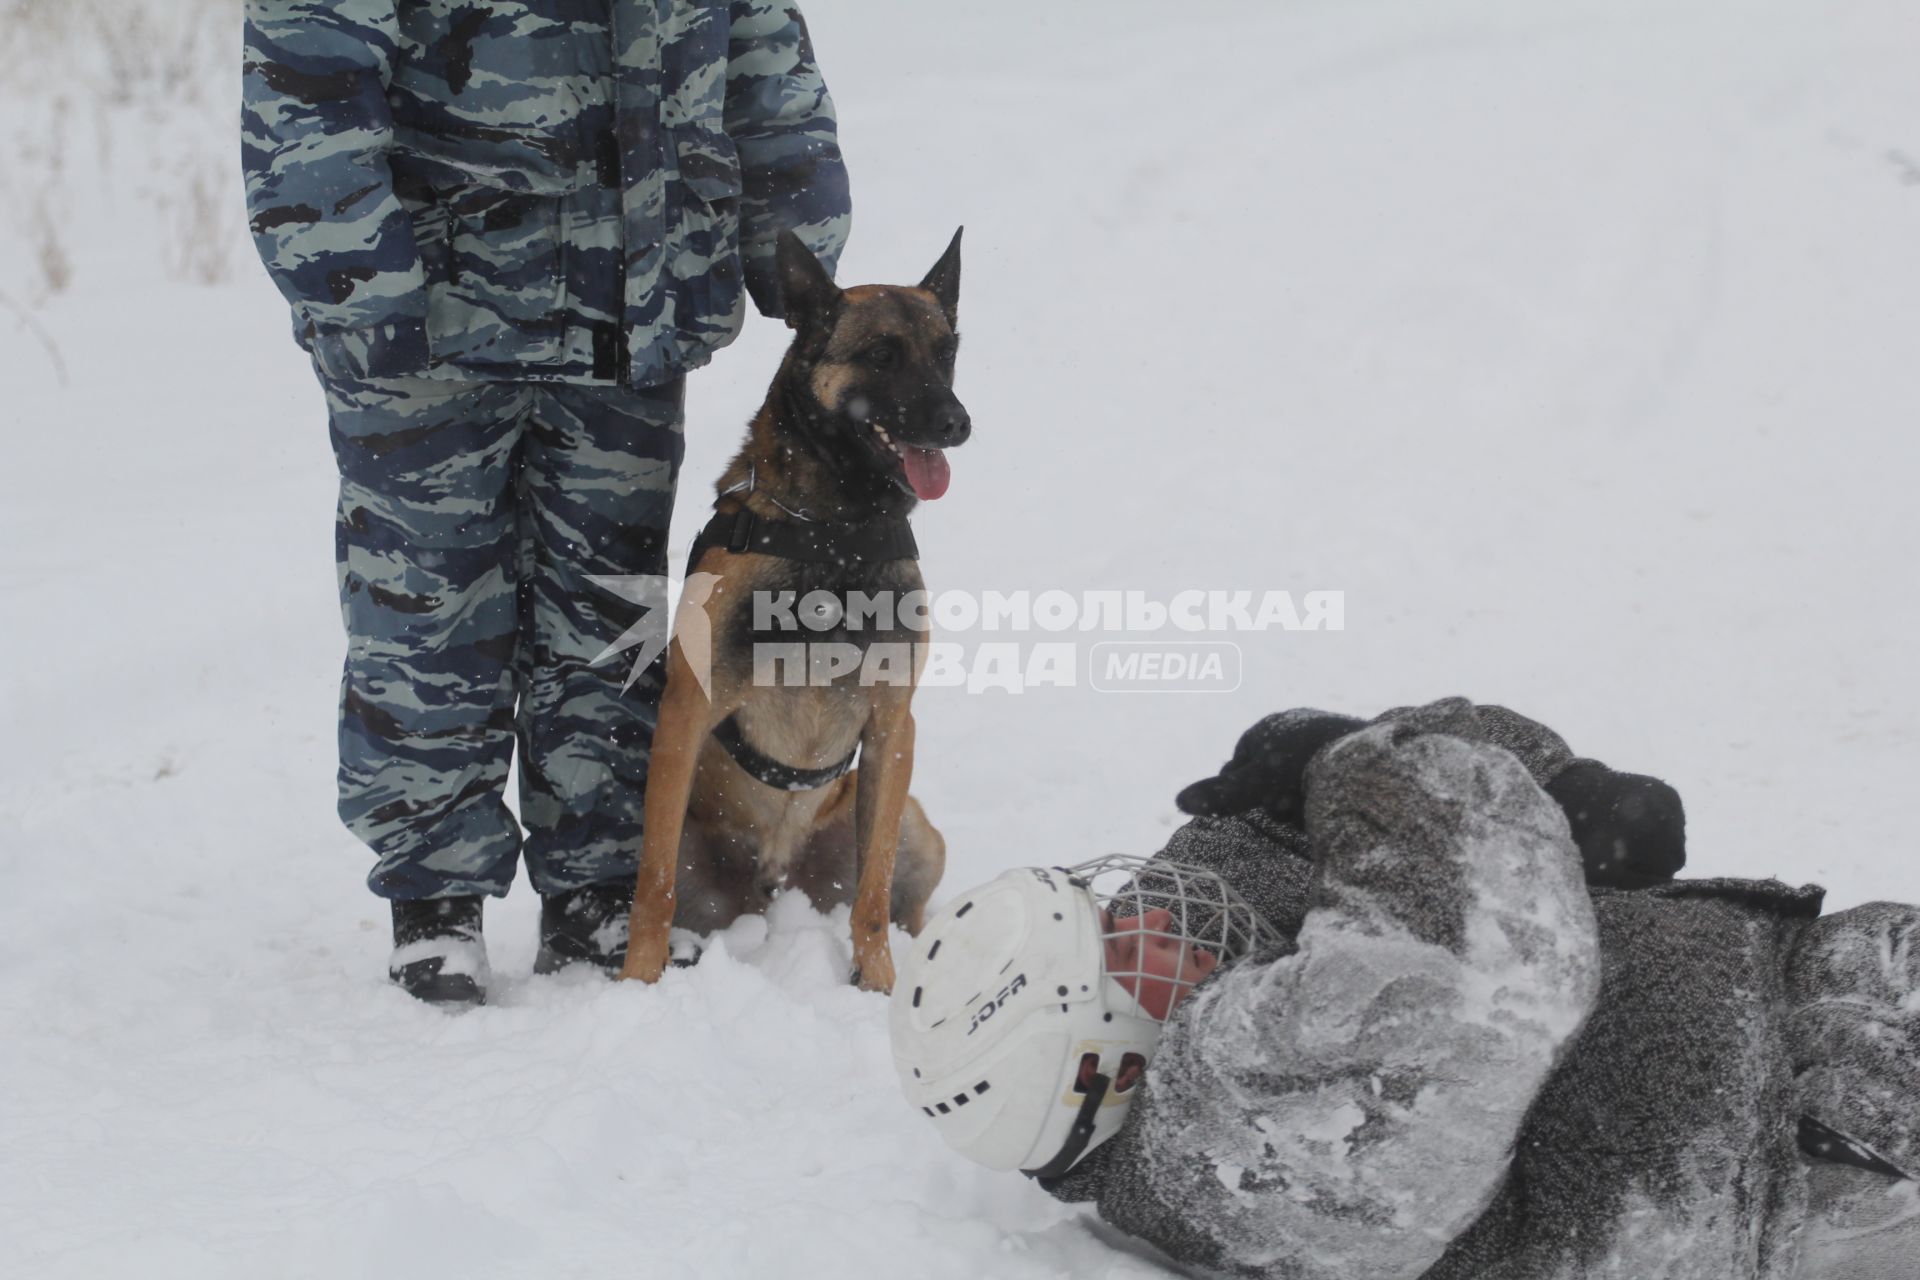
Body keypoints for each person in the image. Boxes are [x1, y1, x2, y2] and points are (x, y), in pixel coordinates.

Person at [241, 1, 850, 1005]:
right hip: (428, 321)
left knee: (610, 607)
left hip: (629, 305)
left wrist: (799, 257)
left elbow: (763, 61)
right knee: (426, 611)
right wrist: (354, 288)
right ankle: (435, 898)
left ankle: (603, 883)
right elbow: (308, 72)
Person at [892, 698, 1920, 1278]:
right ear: (1101, 1058)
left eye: (1105, 894)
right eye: (1120, 938)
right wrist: (1348, 767)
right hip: (1814, 1162)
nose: (1151, 907)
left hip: (1824, 966)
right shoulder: (1227, 1148)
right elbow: (1474, 977)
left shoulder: (1204, 895)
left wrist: (1553, 781)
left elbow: (1410, 783)